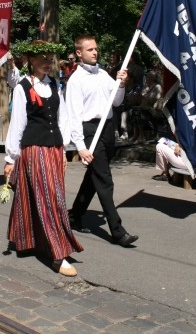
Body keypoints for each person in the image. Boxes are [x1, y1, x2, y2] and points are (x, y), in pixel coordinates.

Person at [3, 40, 83, 277]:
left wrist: (63, 149)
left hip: (54, 150)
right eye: (42, 58)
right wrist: (10, 158)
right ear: (30, 60)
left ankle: (28, 239)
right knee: (50, 199)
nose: (47, 62)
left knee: (41, 196)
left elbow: (63, 118)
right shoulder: (22, 87)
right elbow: (18, 124)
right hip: (34, 150)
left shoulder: (56, 84)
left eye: (50, 58)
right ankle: (57, 253)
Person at [66, 34, 138, 247]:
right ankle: (117, 230)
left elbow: (116, 101)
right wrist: (80, 146)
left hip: (107, 129)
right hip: (90, 131)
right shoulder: (75, 81)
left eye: (96, 49)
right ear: (79, 53)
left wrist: (122, 84)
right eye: (90, 50)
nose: (95, 52)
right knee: (105, 180)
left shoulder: (104, 74)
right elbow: (74, 115)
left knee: (94, 177)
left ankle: (74, 215)